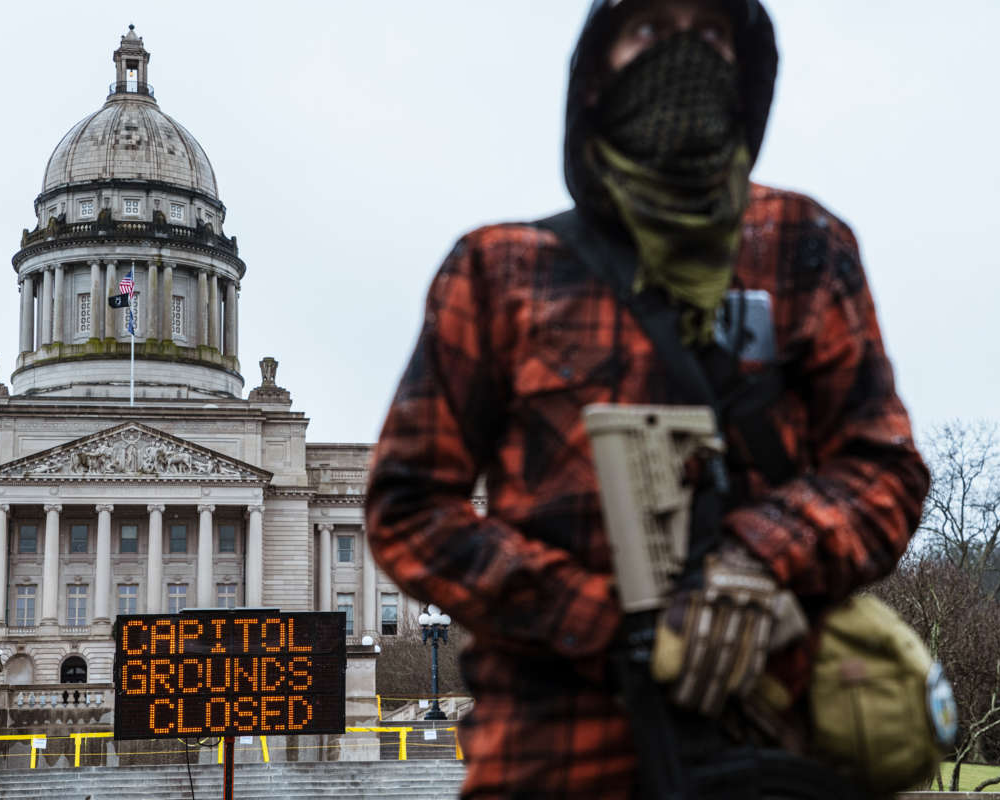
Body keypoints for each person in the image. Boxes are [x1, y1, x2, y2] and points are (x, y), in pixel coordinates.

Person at [365, 0, 930, 797]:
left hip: (779, 732)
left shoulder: (805, 245)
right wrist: (617, 625)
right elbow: (409, 509)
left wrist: (758, 563)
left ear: (748, 72)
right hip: (557, 752)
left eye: (709, 34)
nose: (682, 53)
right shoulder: (498, 271)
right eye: (649, 30)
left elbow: (883, 469)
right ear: (596, 71)